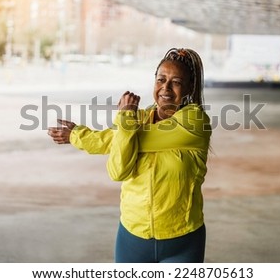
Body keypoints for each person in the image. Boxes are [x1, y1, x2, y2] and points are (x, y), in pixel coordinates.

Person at [47, 48, 212, 263]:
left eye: (176, 82)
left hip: (182, 238)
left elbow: (129, 138)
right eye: (161, 79)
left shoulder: (195, 121)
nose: (166, 88)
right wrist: (77, 134)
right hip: (132, 237)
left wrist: (124, 119)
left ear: (189, 87)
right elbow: (116, 156)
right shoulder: (138, 119)